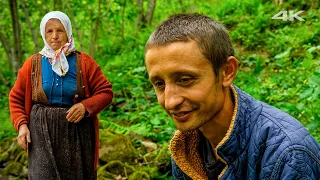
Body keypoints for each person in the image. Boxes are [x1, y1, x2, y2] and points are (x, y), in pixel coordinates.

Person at [144, 13, 320, 179]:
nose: (170, 101)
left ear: (227, 72)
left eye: (184, 80)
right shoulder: (187, 149)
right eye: (159, 84)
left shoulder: (288, 154)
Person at [9, 11, 113, 180]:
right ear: (43, 33)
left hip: (77, 134)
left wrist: (85, 107)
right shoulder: (33, 64)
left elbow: (106, 92)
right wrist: (22, 125)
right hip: (41, 135)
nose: (55, 36)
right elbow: (16, 97)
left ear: (68, 32)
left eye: (60, 30)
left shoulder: (84, 62)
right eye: (49, 31)